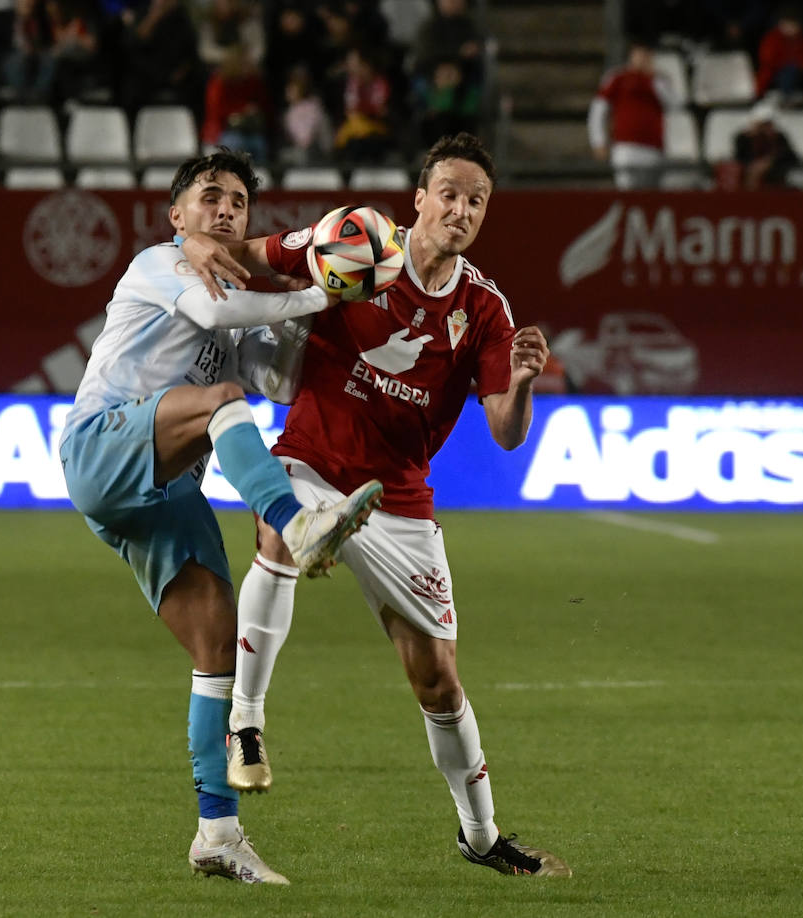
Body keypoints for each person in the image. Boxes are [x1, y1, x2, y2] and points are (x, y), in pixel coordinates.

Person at [181, 133, 572, 877]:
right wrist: (198, 244)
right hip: (313, 461)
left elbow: (506, 434)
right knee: (280, 531)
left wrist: (522, 384)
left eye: (476, 201)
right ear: (419, 198)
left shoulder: (483, 308)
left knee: (438, 679)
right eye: (449, 193)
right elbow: (255, 253)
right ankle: (247, 722)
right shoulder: (355, 238)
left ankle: (481, 836)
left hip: (398, 500)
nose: (460, 210)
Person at [57, 149, 383, 886]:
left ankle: (217, 834)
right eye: (209, 197)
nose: (225, 209)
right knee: (220, 401)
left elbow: (278, 376)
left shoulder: (234, 303)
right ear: (178, 215)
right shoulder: (157, 264)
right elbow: (213, 313)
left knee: (218, 654)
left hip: (166, 489)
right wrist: (312, 299)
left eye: (238, 201)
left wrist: (334, 297)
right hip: (102, 445)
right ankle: (290, 521)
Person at [587, 40, 677, 190]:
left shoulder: (658, 80)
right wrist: (598, 141)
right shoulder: (617, 78)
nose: (642, 58)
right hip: (626, 147)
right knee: (628, 193)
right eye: (638, 54)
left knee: (651, 197)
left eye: (646, 55)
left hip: (653, 148)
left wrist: (654, 79)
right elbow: (598, 111)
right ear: (631, 56)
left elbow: (675, 105)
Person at [732, 98, 798, 190]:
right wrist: (756, 165)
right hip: (750, 171)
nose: (764, 128)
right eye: (762, 125)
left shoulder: (779, 138)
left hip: (775, 171)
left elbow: (792, 157)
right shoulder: (743, 138)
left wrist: (769, 161)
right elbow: (739, 157)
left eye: (767, 124)